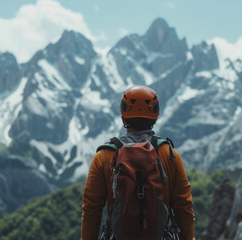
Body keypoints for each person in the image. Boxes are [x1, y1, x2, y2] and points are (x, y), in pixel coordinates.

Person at [81, 86, 195, 240]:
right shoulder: (170, 155)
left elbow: (91, 210)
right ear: (155, 116)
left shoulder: (104, 156)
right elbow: (184, 208)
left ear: (123, 117)